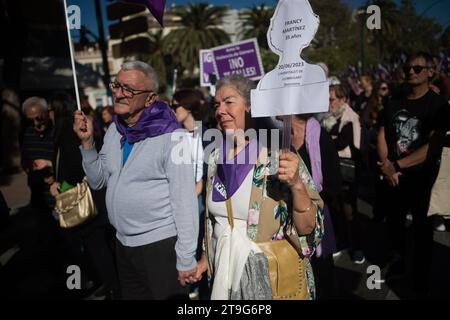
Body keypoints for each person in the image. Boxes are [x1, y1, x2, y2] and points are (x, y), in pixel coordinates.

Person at [74, 61, 199, 300]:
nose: (119, 93)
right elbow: (98, 181)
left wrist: (185, 258)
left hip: (160, 248)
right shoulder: (115, 130)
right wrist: (88, 144)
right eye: (117, 85)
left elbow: (185, 202)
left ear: (150, 99)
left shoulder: (175, 137)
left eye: (129, 89)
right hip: (122, 244)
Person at [193, 74, 324, 300]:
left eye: (229, 102)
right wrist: (206, 257)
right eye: (216, 104)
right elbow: (213, 220)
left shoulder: (277, 156)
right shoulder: (215, 157)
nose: (220, 110)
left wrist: (297, 186)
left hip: (270, 283)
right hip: (224, 281)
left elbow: (309, 231)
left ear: (251, 106)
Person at [377, 52, 449, 297]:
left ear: (430, 71)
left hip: (423, 179)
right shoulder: (394, 102)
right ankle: (397, 263)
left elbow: (434, 145)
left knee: (421, 229)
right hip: (393, 176)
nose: (410, 72)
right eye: (407, 68)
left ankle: (421, 278)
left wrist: (397, 166)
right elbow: (383, 134)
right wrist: (387, 165)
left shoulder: (438, 105)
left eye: (417, 68)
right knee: (394, 224)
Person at [48, 93, 119, 299]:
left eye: (52, 109)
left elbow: (76, 168)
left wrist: (60, 182)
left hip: (88, 201)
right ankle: (112, 283)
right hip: (96, 198)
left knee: (97, 247)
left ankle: (113, 286)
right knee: (102, 245)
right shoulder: (76, 129)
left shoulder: (69, 133)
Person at [291, 114, 342, 299]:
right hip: (286, 225)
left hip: (316, 219)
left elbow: (334, 184)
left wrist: (309, 203)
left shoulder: (320, 137)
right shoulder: (275, 137)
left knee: (321, 277)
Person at [321, 84, 365, 264]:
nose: (329, 103)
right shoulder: (327, 118)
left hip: (347, 171)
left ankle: (358, 247)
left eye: (332, 99)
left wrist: (330, 139)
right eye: (328, 99)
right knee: (336, 209)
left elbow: (343, 143)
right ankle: (343, 242)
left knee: (349, 211)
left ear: (343, 99)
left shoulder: (350, 118)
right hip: (332, 169)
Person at [20, 97, 55, 213]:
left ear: (47, 113)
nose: (36, 124)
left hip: (60, 197)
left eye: (39, 118)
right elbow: (24, 161)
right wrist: (30, 168)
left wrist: (52, 169)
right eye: (30, 121)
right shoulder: (27, 133)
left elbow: (71, 164)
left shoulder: (58, 133)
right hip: (37, 198)